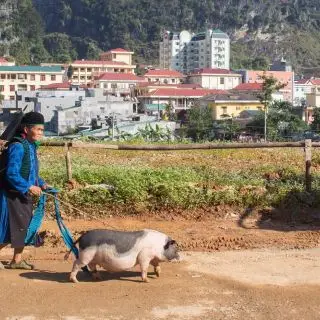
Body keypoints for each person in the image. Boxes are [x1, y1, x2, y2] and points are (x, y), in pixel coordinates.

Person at [0, 111, 47, 270]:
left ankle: (17, 260)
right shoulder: (18, 146)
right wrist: (28, 186)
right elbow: (11, 173)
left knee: (24, 226)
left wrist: (41, 183)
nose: (41, 133)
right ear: (26, 130)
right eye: (38, 129)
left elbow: (31, 171)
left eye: (42, 130)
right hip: (11, 194)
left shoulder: (31, 146)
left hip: (23, 194)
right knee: (9, 227)